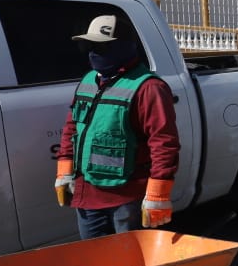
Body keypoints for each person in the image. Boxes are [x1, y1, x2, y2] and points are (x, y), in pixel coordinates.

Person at [56, 14, 180, 239]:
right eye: (89, 46)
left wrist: (158, 195)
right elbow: (72, 127)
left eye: (101, 47)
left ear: (124, 48)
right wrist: (64, 172)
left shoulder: (149, 88)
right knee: (93, 256)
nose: (93, 53)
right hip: (87, 193)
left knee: (130, 256)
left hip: (127, 197)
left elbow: (164, 143)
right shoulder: (89, 81)